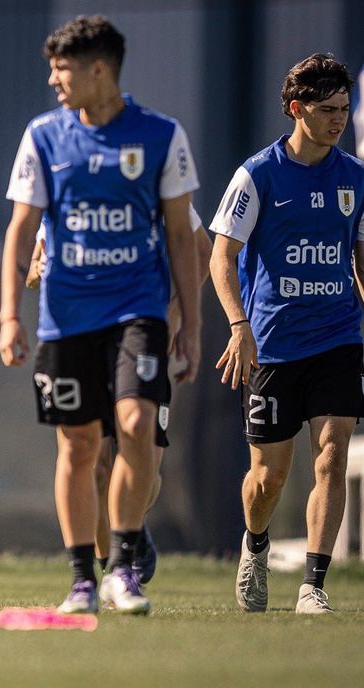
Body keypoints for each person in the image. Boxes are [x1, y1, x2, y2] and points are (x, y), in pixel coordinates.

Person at [0, 15, 201, 615]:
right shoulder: (42, 136)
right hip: (66, 318)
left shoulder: (162, 135)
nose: (54, 81)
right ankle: (81, 580)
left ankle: (124, 566)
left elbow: (181, 237)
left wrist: (191, 324)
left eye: (63, 69)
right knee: (80, 447)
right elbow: (21, 228)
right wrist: (10, 314)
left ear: (99, 70)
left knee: (137, 427)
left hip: (138, 309)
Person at [209, 53, 364, 614]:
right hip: (273, 343)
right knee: (268, 478)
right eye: (326, 110)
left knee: (331, 452)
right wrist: (238, 326)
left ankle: (313, 585)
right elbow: (220, 258)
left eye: (344, 109)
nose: (338, 120)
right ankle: (255, 545)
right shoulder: (258, 175)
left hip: (340, 337)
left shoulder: (355, 177)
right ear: (297, 109)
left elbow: (361, 261)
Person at [29, 205, 211, 582]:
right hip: (82, 335)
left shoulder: (150, 166)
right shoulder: (63, 178)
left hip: (139, 330)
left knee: (140, 447)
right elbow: (34, 267)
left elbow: (201, 249)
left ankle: (129, 521)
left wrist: (178, 313)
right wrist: (36, 272)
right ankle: (110, 571)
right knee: (95, 466)